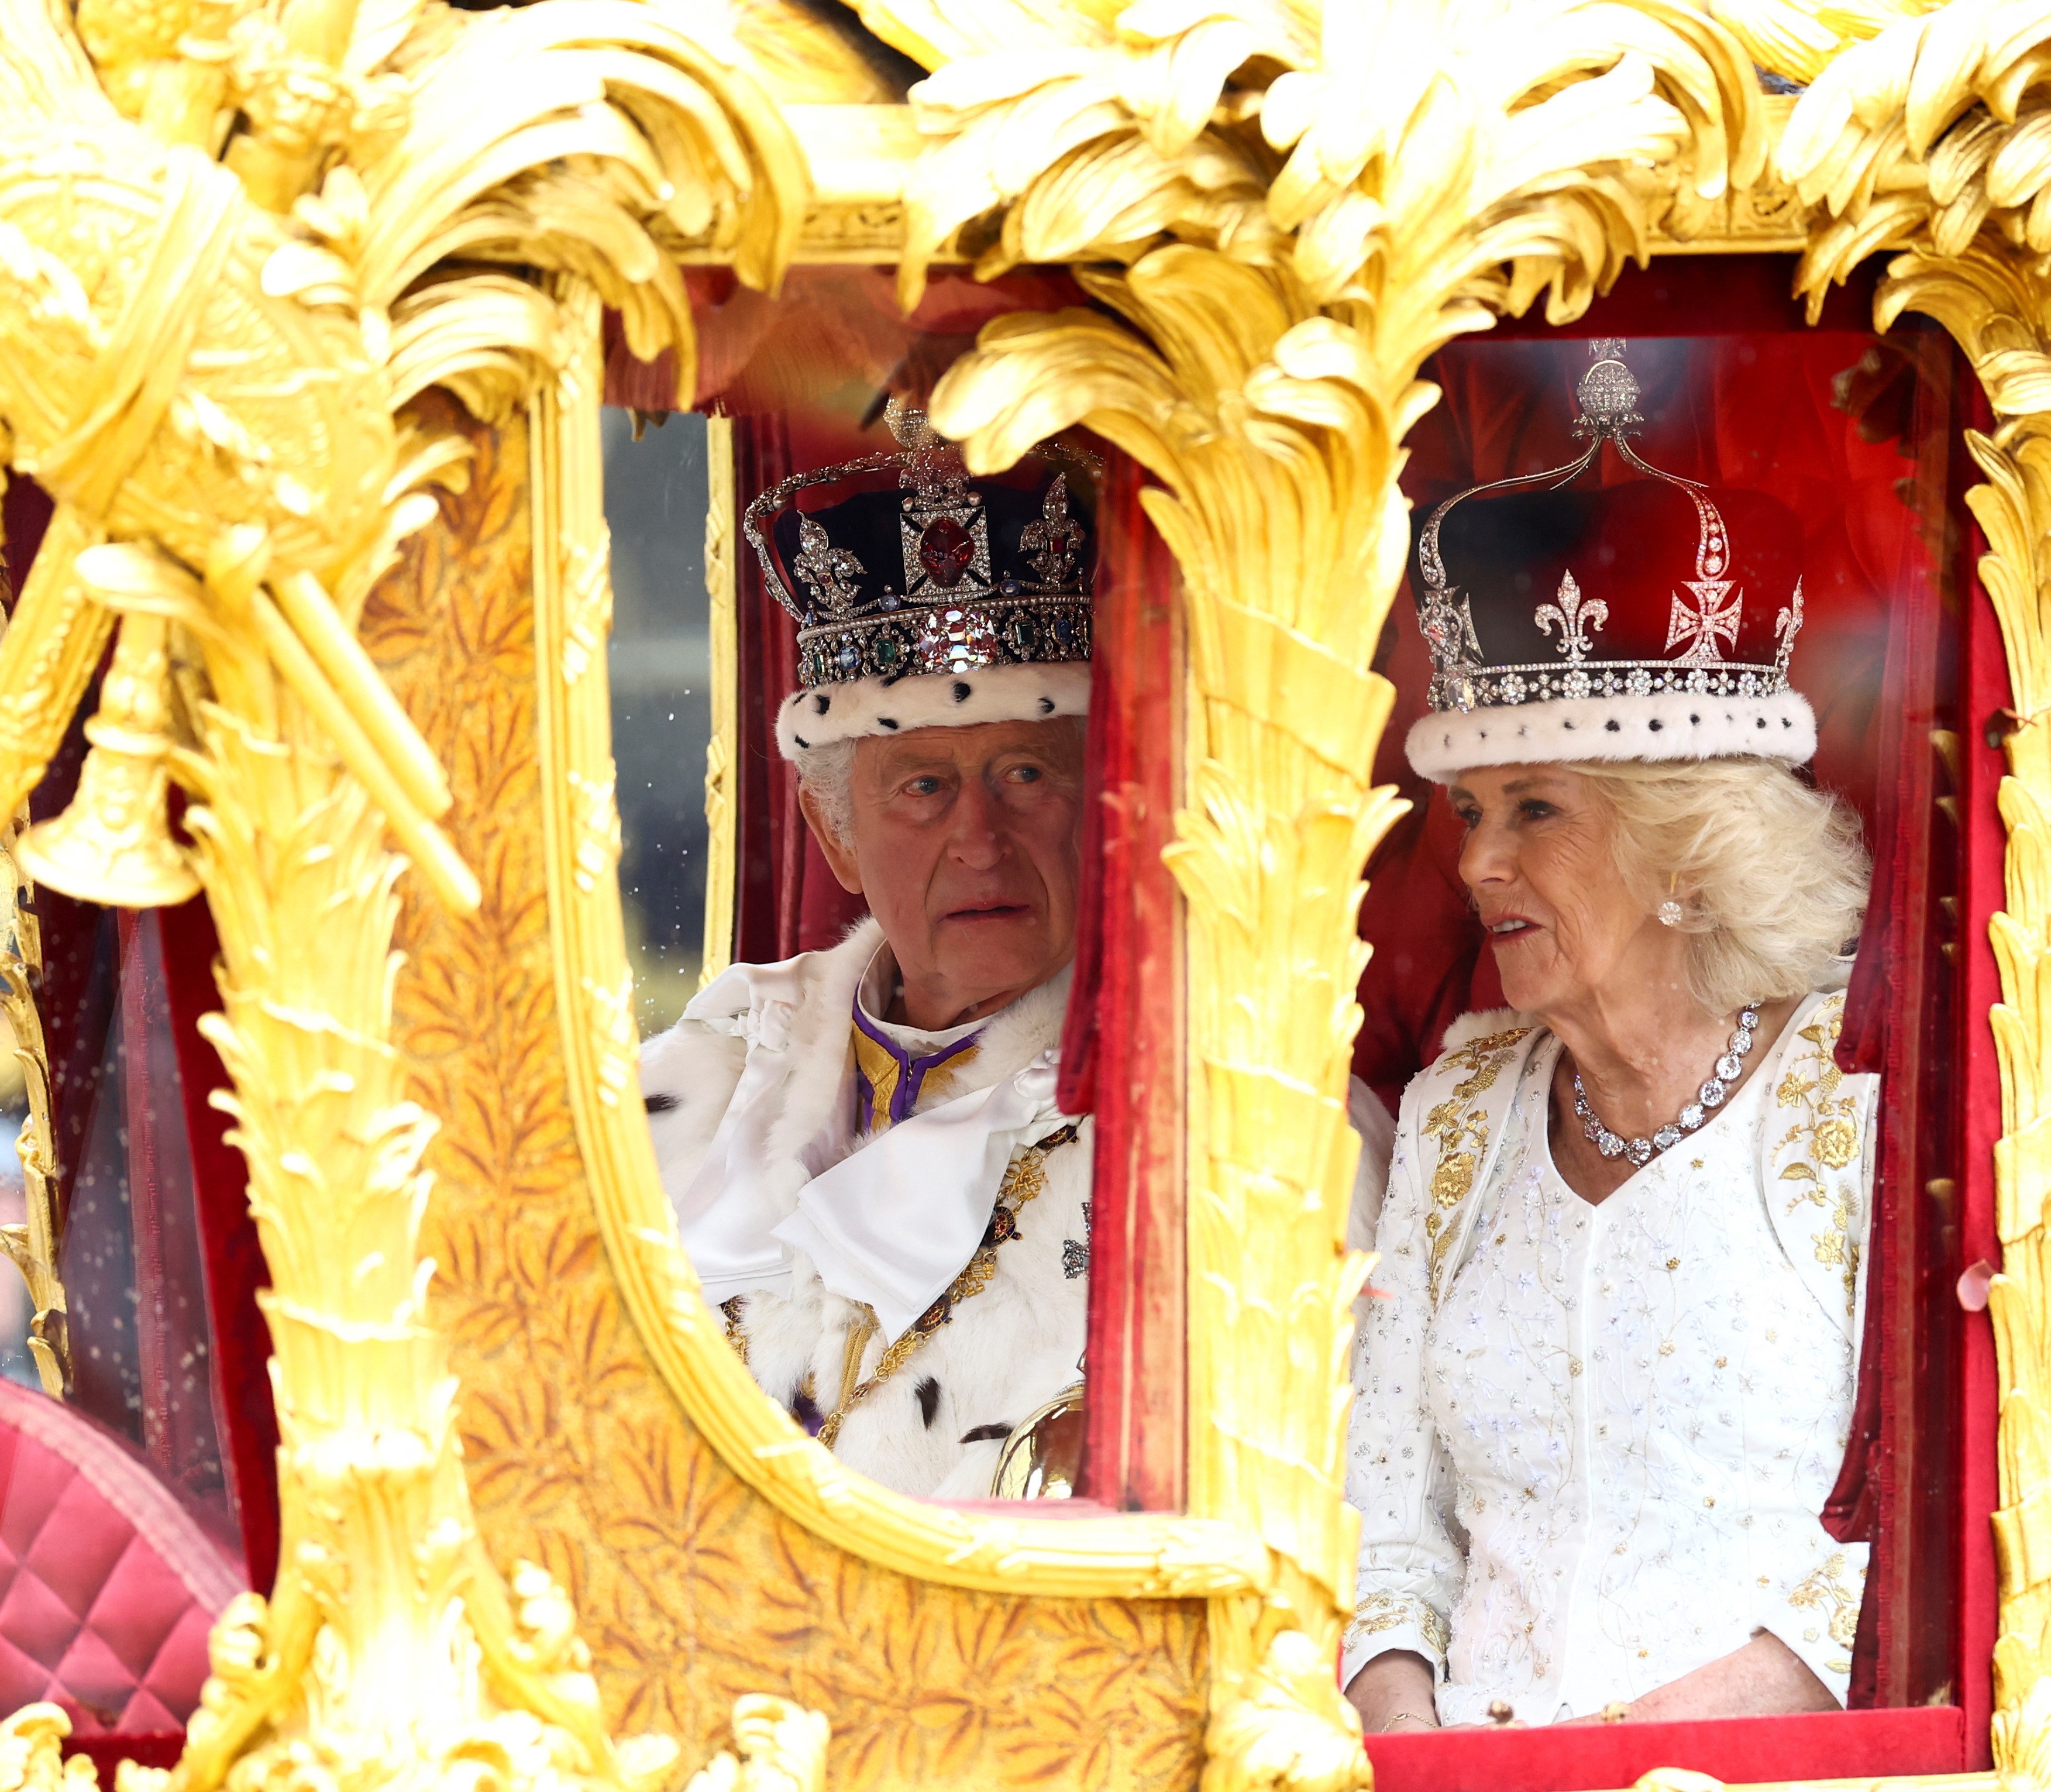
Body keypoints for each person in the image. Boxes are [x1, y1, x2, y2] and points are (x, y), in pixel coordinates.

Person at [643, 407, 1390, 1498]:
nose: (980, 839)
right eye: (923, 788)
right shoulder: (709, 1066)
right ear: (833, 841)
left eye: (1028, 775)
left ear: (1109, 810)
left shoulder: (1245, 1111)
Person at [1344, 343, 1876, 1730]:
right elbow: (1389, 1532)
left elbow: (1884, 1559)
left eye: (1535, 810)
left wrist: (1615, 1764)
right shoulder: (1458, 1109)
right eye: (1469, 812)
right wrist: (1415, 1757)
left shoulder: (1852, 1097)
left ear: (1683, 852)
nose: (1471, 867)